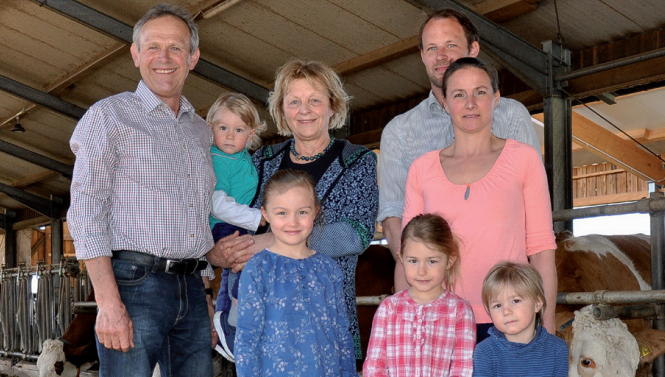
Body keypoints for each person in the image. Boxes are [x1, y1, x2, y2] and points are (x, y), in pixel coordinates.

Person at [67, 4, 216, 376]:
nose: (164, 58)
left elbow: (200, 216)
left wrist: (207, 294)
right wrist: (107, 302)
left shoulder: (201, 131)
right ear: (135, 54)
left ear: (193, 57)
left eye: (176, 48)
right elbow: (86, 211)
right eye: (152, 47)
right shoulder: (108, 116)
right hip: (135, 285)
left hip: (193, 287)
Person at [207, 59, 379, 363]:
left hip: (326, 323)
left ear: (332, 106)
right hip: (263, 323)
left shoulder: (358, 161)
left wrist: (272, 242)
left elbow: (357, 234)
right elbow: (227, 213)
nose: (305, 109)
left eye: (315, 100)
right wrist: (218, 250)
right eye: (295, 101)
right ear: (282, 110)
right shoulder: (261, 161)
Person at [378, 9, 541, 293]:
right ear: (422, 56)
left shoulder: (512, 116)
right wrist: (423, 280)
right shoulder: (399, 131)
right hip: (434, 296)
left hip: (504, 295)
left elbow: (534, 215)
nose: (441, 56)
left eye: (450, 45)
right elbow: (394, 219)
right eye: (432, 48)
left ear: (474, 49)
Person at [402, 57, 557, 343]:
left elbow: (542, 250)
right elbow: (409, 256)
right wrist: (405, 323)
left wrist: (546, 331)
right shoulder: (422, 169)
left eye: (480, 92)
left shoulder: (523, 159)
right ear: (445, 103)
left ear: (496, 98)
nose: (470, 103)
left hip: (511, 319)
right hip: (440, 318)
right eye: (459, 94)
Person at [234, 169, 357, 376]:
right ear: (265, 214)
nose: (293, 222)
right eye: (282, 213)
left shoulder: (328, 268)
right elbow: (247, 337)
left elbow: (342, 332)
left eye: (302, 212)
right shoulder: (258, 268)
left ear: (315, 211)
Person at [363, 214, 475, 377]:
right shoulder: (388, 308)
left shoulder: (460, 311)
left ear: (449, 261)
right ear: (401, 257)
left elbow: (463, 368)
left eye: (432, 261)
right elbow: (374, 366)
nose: (422, 271)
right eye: (413, 261)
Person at [205, 93, 267, 361]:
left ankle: (229, 319)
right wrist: (256, 218)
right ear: (211, 129)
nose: (230, 136)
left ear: (250, 133)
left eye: (238, 129)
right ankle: (233, 325)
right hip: (222, 224)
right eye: (223, 128)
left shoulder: (242, 158)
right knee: (244, 264)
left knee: (238, 270)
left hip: (237, 223)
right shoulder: (217, 159)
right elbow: (217, 204)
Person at [473, 262, 568, 376]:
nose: (506, 311)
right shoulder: (484, 351)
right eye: (497, 305)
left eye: (516, 301)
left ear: (537, 303)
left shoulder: (557, 349)